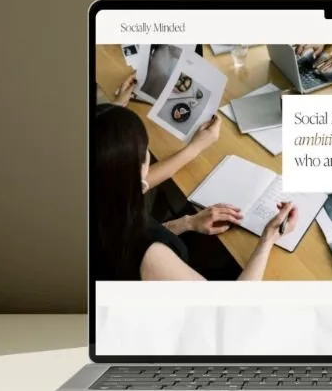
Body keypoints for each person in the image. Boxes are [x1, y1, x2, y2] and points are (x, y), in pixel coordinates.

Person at [94, 105, 296, 282]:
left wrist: (188, 223)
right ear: (134, 173)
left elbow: (125, 235)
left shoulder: (100, 202)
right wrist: (268, 238)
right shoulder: (152, 256)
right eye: (145, 151)